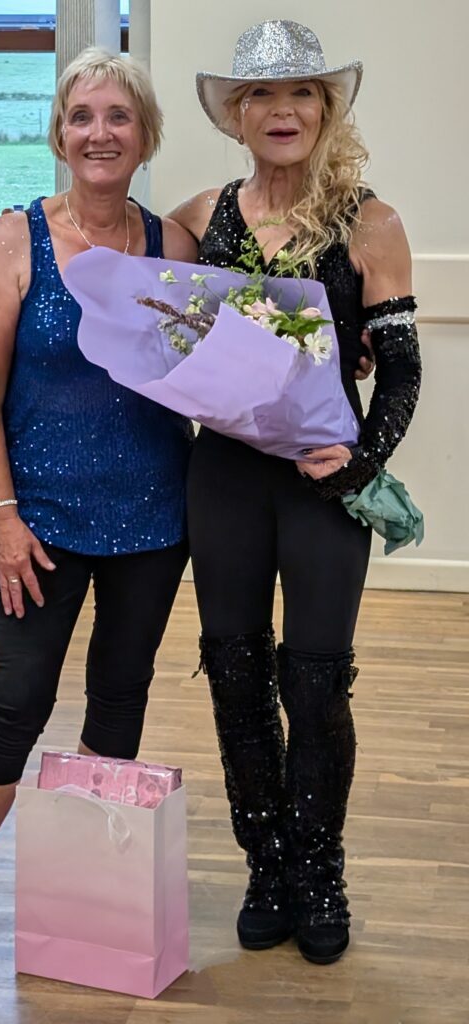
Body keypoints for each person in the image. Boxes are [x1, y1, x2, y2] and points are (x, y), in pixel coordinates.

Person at [0, 47, 197, 997]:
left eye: (119, 115)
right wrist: (1, 517)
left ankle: (89, 896)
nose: (100, 132)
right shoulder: (11, 240)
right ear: (59, 134)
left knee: (120, 698)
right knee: (15, 702)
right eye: (82, 115)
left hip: (154, 521)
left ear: (145, 135)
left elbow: (218, 363)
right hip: (37, 526)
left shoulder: (175, 244)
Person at [170, 20, 421, 965]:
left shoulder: (369, 221)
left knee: (314, 685)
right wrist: (2, 227)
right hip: (225, 479)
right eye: (262, 96)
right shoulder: (202, 215)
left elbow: (401, 370)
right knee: (236, 676)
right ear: (236, 116)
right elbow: (105, 240)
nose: (283, 111)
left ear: (326, 109)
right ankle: (266, 864)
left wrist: (361, 464)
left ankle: (319, 870)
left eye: (302, 93)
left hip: (322, 489)